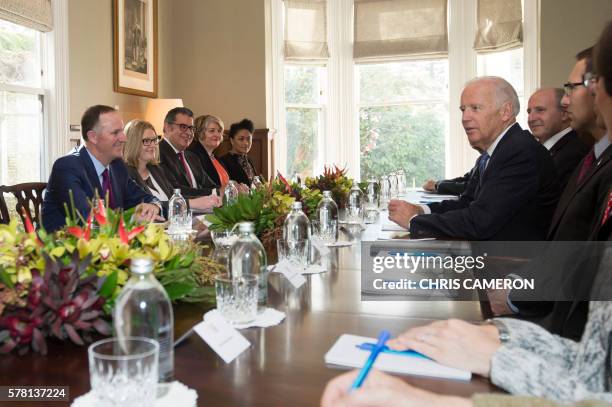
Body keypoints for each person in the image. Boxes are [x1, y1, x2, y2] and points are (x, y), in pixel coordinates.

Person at [388, 76, 560, 240]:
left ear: (505, 112)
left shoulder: (521, 153)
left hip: (509, 265)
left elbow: (479, 222)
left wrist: (413, 221)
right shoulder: (497, 151)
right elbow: (467, 204)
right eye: (463, 110)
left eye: (475, 108)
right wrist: (421, 210)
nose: (465, 118)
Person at [42, 105, 161, 232]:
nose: (124, 138)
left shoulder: (117, 165)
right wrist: (132, 219)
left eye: (122, 131)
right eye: (116, 133)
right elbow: (89, 220)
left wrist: (153, 206)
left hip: (110, 246)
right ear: (93, 137)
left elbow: (145, 197)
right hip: (64, 248)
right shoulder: (67, 167)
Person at [123, 119, 220, 211]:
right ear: (133, 143)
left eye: (155, 140)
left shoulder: (156, 169)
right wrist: (191, 203)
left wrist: (207, 199)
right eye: (147, 141)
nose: (153, 145)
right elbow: (144, 206)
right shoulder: (125, 174)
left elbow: (173, 196)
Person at [527, 87, 588, 188]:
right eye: (529, 112)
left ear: (564, 114)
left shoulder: (574, 154)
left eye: (540, 110)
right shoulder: (537, 151)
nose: (531, 118)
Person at [158, 107, 219, 198]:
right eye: (183, 127)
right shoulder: (157, 154)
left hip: (204, 209)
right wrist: (214, 193)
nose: (189, 133)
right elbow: (175, 190)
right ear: (168, 127)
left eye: (191, 128)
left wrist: (226, 190)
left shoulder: (192, 156)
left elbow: (211, 185)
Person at [187, 115, 230, 188]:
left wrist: (234, 185)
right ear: (200, 133)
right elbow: (204, 186)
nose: (217, 134)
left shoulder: (216, 158)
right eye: (212, 131)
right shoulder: (193, 156)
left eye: (219, 131)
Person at [219, 118, 259, 187]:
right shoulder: (223, 162)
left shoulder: (248, 159)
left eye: (248, 139)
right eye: (241, 139)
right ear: (232, 141)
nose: (246, 143)